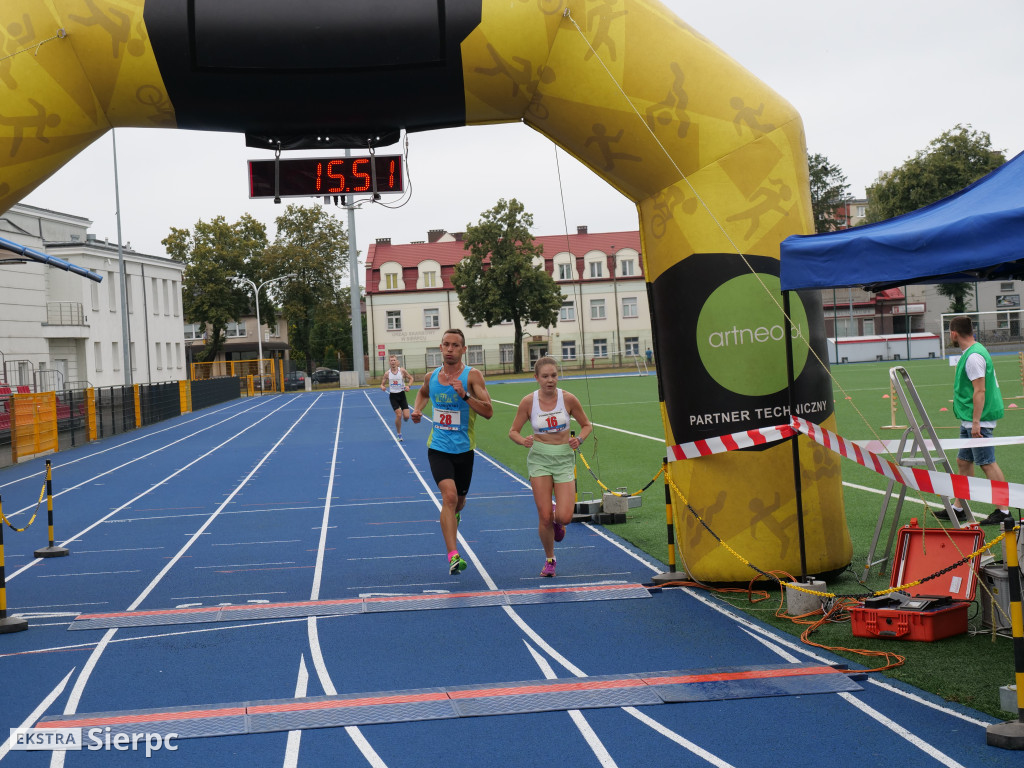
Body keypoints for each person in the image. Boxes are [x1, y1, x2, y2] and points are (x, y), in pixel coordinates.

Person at [411, 329, 494, 574]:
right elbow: (423, 393)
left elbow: (488, 412)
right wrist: (417, 410)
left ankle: (453, 517)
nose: (450, 349)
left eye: (455, 345)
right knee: (448, 497)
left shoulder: (472, 376)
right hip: (438, 447)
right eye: (446, 344)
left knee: (458, 502)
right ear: (440, 347)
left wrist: (465, 395)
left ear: (463, 350)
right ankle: (453, 555)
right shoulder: (431, 377)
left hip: (464, 449)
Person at [509, 356, 593, 577]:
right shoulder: (528, 402)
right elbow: (513, 431)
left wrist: (580, 440)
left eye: (554, 375)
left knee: (564, 517)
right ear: (536, 378)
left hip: (564, 458)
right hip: (539, 459)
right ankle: (550, 559)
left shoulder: (569, 399)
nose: (550, 380)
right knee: (544, 516)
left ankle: (558, 519)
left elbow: (586, 425)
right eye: (545, 376)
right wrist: (523, 441)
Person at [946, 315, 1013, 526]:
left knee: (987, 463)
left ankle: (1004, 511)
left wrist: (976, 422)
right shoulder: (972, 352)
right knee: (963, 461)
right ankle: (959, 508)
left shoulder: (974, 356)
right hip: (970, 419)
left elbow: (980, 390)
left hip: (978, 420)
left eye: (950, 332)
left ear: (954, 333)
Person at [380, 354, 414, 441]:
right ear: (389, 362)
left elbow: (411, 378)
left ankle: (404, 418)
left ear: (397, 362)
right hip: (393, 396)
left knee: (406, 417)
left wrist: (408, 386)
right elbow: (382, 384)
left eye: (394, 360)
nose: (393, 362)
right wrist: (382, 387)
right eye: (391, 361)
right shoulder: (387, 373)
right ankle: (399, 434)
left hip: (402, 395)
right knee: (399, 414)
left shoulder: (402, 371)